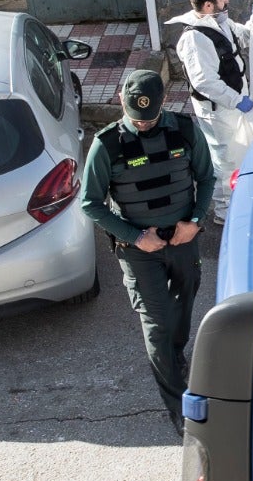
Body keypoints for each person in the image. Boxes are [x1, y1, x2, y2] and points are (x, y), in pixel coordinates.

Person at [77, 69, 215, 435]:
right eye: (137, 120)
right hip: (140, 251)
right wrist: (136, 237)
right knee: (156, 324)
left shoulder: (184, 131)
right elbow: (91, 203)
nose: (143, 125)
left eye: (150, 119)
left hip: (183, 241)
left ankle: (175, 355)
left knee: (183, 304)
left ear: (163, 105)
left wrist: (195, 221)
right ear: (121, 100)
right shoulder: (107, 144)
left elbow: (206, 178)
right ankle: (180, 407)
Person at [167, 0, 253, 226]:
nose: (226, 0)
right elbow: (204, 81)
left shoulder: (221, 23)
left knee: (238, 153)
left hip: (234, 105)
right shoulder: (195, 38)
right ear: (208, 5)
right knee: (224, 159)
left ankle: (238, 200)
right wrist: (236, 100)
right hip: (219, 110)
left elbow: (243, 37)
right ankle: (224, 212)